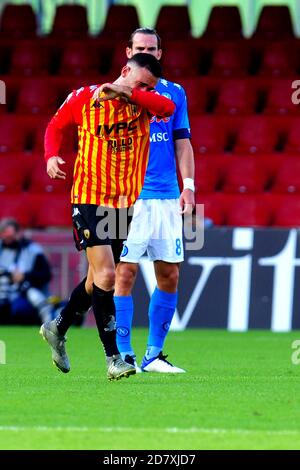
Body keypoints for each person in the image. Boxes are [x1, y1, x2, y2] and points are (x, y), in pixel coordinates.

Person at [40, 53, 175, 381]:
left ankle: (57, 328)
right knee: (108, 275)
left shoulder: (146, 103)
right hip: (88, 198)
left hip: (124, 204)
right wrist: (51, 155)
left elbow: (167, 109)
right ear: (125, 69)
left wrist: (130, 92)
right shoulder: (86, 98)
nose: (145, 89)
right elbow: (56, 125)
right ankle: (114, 358)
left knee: (95, 281)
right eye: (140, 82)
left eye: (149, 86)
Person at [114, 28, 195, 373]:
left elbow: (183, 143)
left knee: (169, 275)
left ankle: (153, 354)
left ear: (160, 53)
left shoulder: (175, 93)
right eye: (139, 47)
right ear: (128, 52)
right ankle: (123, 354)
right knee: (124, 273)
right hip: (125, 194)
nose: (146, 51)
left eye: (152, 48)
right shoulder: (112, 94)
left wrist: (188, 185)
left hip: (165, 197)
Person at [0, 218, 52, 324]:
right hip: (3, 293)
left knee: (20, 309)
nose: (7, 239)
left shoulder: (33, 250)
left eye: (10, 236)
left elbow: (46, 275)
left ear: (18, 233)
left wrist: (25, 276)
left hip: (24, 295)